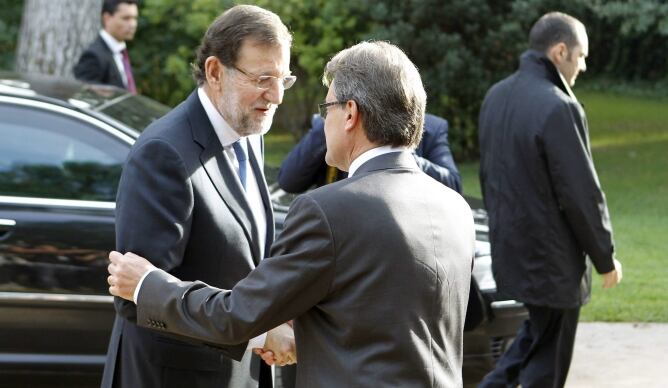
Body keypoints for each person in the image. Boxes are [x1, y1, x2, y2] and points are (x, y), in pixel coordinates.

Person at [107, 40, 476, 387]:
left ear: (350, 114)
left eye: (326, 108)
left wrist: (146, 285)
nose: (322, 123)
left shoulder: (330, 210)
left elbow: (235, 315)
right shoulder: (455, 208)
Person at [101, 5, 297, 388]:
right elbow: (136, 297)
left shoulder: (249, 134)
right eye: (262, 78)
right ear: (214, 72)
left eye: (282, 79)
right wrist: (257, 333)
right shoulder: (164, 154)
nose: (275, 95)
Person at [477, 12, 622, 388]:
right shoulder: (559, 105)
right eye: (582, 56)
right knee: (547, 363)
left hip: (511, 251)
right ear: (560, 52)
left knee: (532, 339)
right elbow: (582, 194)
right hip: (551, 263)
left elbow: (489, 177)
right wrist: (605, 257)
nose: (584, 66)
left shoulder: (496, 96)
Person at [278, 112, 462, 193]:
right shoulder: (337, 123)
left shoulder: (431, 127)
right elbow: (289, 181)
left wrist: (397, 153)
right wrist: (328, 124)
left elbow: (452, 184)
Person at [73, 0, 138, 92]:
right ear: (107, 18)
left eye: (134, 18)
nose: (132, 24)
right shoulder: (93, 56)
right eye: (126, 18)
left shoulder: (121, 53)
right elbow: (85, 98)